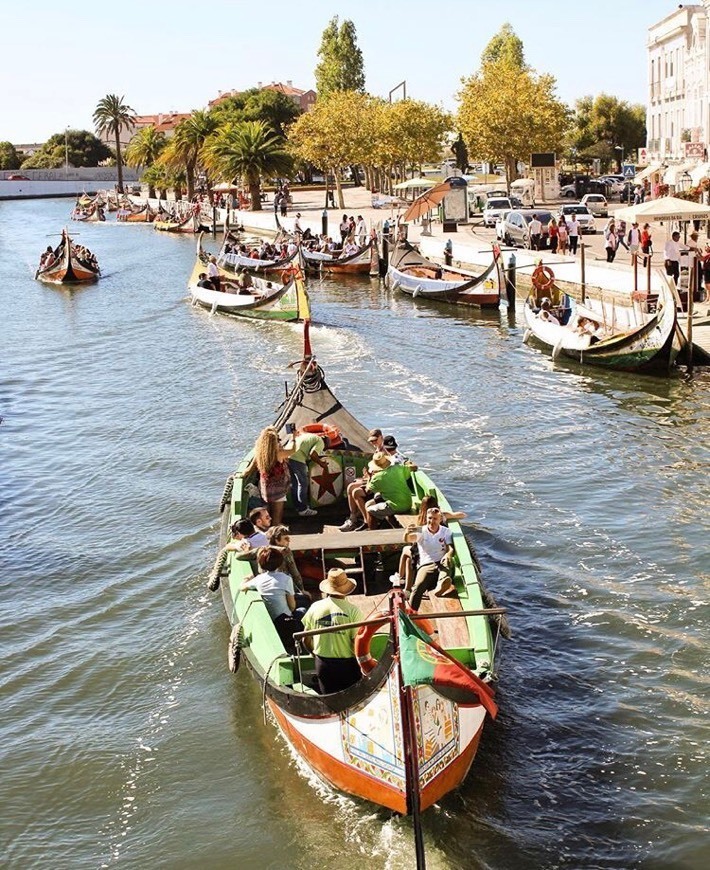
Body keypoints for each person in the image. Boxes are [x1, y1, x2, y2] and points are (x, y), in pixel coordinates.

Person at [301, 568, 361, 694]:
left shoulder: (315, 607)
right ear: (347, 589)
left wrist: (313, 654)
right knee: (352, 699)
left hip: (323, 664)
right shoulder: (353, 611)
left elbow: (305, 639)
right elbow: (357, 643)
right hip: (347, 666)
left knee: (329, 701)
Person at [241, 547, 305, 652]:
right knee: (303, 609)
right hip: (286, 622)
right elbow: (292, 606)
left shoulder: (259, 579)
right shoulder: (286, 578)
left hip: (271, 618)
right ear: (280, 562)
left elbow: (242, 587)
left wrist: (246, 579)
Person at [405, 507, 455, 611]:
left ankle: (441, 585)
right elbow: (409, 539)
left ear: (440, 519)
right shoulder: (422, 531)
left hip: (441, 560)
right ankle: (411, 613)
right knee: (418, 586)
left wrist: (448, 554)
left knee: (446, 566)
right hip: (428, 563)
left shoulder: (446, 532)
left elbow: (450, 548)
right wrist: (406, 534)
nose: (431, 521)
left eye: (435, 519)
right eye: (429, 518)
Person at [246, 426, 295, 525]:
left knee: (268, 511)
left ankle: (268, 528)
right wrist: (294, 437)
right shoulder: (278, 453)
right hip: (278, 489)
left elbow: (250, 468)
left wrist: (241, 475)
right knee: (277, 513)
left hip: (265, 488)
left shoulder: (260, 453)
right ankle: (275, 530)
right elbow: (293, 450)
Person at [340, 429, 385, 531]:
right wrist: (367, 475)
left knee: (356, 492)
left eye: (375, 440)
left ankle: (368, 521)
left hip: (378, 482)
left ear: (381, 437)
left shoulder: (384, 452)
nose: (373, 443)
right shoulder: (378, 450)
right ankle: (353, 518)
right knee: (350, 486)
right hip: (371, 478)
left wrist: (369, 476)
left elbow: (383, 471)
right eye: (371, 441)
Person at [364, 452, 413, 529]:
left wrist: (368, 478)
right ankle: (396, 527)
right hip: (408, 503)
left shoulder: (376, 478)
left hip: (396, 506)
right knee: (381, 499)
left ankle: (372, 533)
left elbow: (367, 491)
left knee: (369, 511)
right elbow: (414, 467)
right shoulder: (398, 468)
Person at [288, 429, 330, 517]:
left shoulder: (311, 436)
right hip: (298, 459)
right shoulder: (320, 442)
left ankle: (297, 506)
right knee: (303, 484)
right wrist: (322, 464)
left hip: (289, 456)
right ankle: (303, 509)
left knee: (295, 484)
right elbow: (313, 455)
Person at [266, 525, 306, 595]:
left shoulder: (263, 550)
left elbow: (240, 555)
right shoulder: (285, 551)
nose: (289, 541)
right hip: (284, 588)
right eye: (286, 539)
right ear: (277, 540)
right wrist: (302, 590)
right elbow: (294, 572)